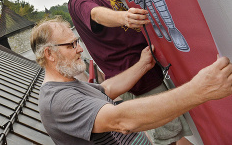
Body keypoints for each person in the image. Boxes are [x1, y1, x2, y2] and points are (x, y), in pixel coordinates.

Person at [31, 17, 232, 145]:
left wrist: (143, 65)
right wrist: (200, 90)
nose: (80, 49)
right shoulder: (58, 101)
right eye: (71, 44)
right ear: (50, 54)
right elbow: (121, 120)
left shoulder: (67, 84)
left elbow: (106, 89)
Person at [64, 0, 190, 144]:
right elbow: (96, 14)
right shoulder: (78, 1)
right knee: (167, 134)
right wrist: (124, 18)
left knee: (172, 126)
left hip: (148, 63)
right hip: (134, 75)